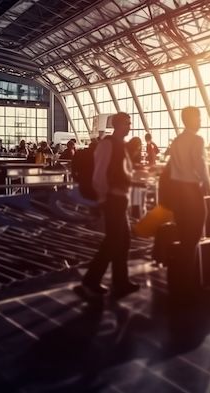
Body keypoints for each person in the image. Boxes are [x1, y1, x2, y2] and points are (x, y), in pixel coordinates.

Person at [76, 112, 138, 299]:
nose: (129, 126)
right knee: (113, 241)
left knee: (123, 241)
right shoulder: (107, 144)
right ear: (117, 125)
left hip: (120, 199)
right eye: (126, 123)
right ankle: (91, 280)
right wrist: (103, 198)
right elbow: (99, 174)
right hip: (112, 199)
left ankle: (120, 281)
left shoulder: (121, 146)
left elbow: (121, 172)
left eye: (129, 123)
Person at [165, 106, 210, 293]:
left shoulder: (177, 141)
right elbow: (200, 163)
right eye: (199, 118)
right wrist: (208, 184)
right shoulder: (197, 140)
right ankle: (188, 283)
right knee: (193, 236)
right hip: (192, 191)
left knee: (184, 237)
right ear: (191, 119)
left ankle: (181, 281)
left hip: (178, 192)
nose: (201, 121)